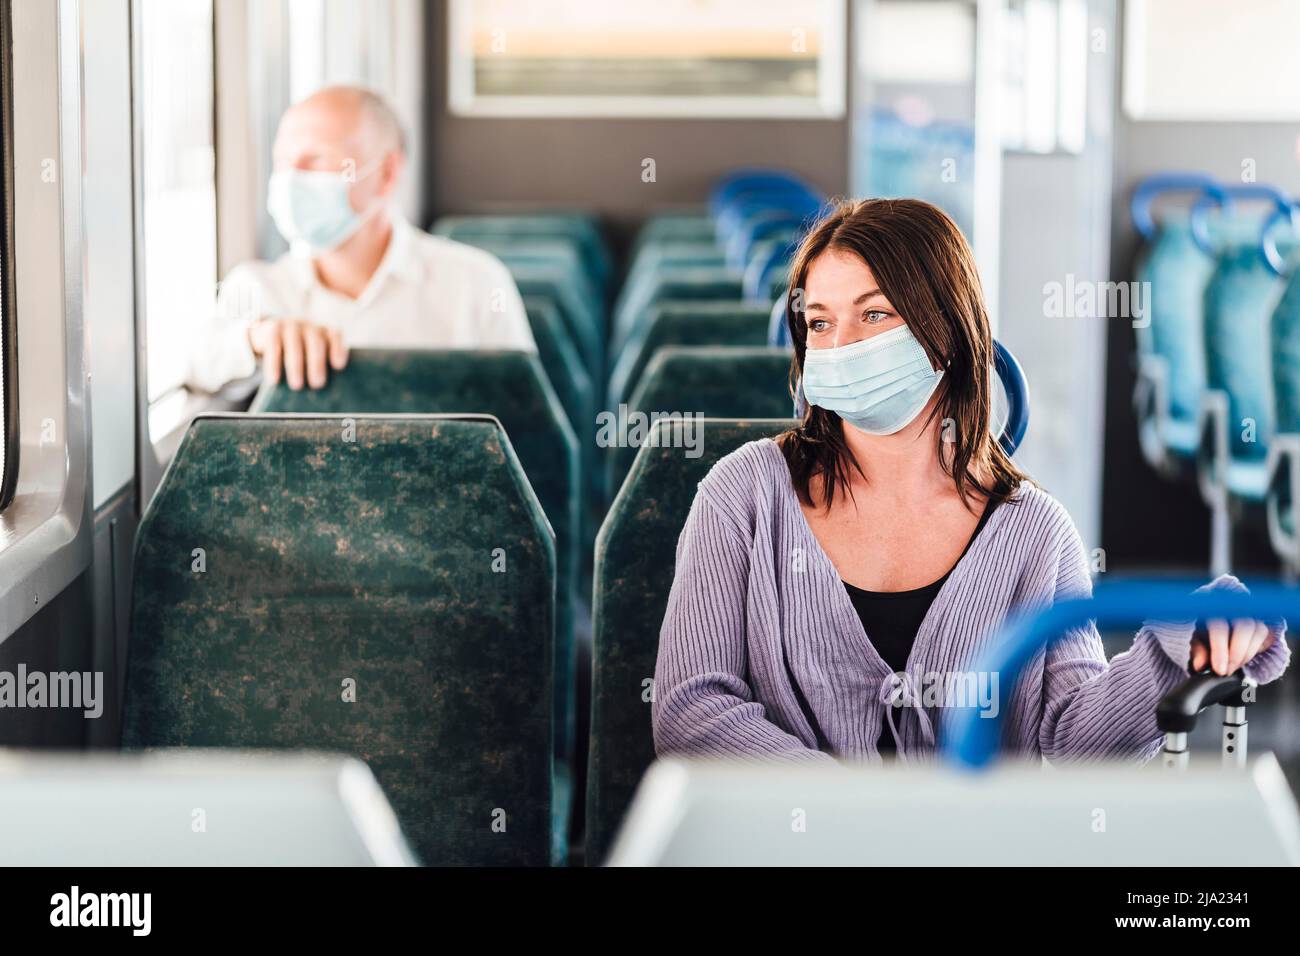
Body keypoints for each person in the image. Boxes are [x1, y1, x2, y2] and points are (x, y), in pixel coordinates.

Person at [652, 197, 1290, 763]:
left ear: (946, 336)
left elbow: (1069, 741)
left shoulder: (1034, 531)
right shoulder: (743, 495)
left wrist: (1175, 648)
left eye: (873, 316)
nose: (840, 344)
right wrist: (846, 820)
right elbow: (690, 710)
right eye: (819, 323)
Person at [190, 85, 534, 394]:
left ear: (386, 174)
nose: (293, 180)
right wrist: (256, 339)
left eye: (316, 160)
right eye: (283, 162)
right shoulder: (258, 289)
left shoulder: (476, 283)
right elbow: (197, 366)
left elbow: (526, 423)